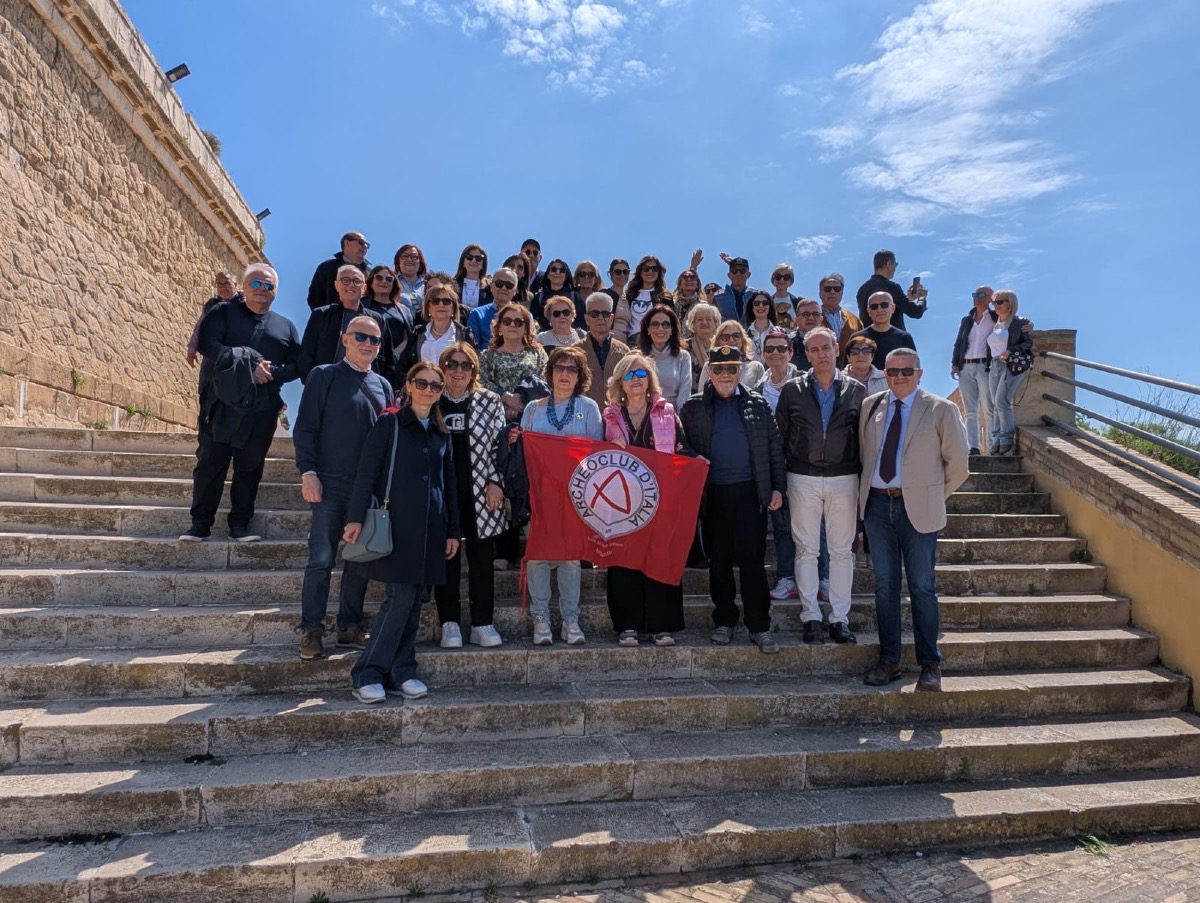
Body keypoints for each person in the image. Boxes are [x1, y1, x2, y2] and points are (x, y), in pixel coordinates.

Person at [345, 362, 459, 703]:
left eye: (435, 386)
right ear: (409, 385)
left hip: (431, 529)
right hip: (397, 525)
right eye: (422, 383)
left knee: (414, 603)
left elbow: (449, 485)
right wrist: (355, 518)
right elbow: (367, 472)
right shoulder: (390, 423)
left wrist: (453, 530)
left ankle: (402, 670)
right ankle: (367, 672)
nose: (428, 390)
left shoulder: (441, 432)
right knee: (399, 600)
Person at [859, 349, 969, 692]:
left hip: (918, 509)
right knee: (885, 587)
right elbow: (865, 456)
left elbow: (959, 465)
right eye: (892, 371)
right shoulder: (871, 406)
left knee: (922, 587)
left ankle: (930, 664)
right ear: (885, 374)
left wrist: (932, 496)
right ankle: (889, 660)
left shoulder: (941, 409)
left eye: (906, 371)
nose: (899, 377)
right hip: (877, 506)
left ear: (919, 373)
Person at [293, 315, 392, 661]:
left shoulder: (384, 386)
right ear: (345, 339)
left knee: (358, 560)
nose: (367, 344)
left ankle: (349, 625)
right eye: (360, 336)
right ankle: (311, 630)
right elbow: (306, 427)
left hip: (366, 489)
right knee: (321, 558)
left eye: (374, 340)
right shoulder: (324, 376)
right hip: (329, 483)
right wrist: (308, 472)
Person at [181, 263, 300, 542]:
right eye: (256, 283)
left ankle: (240, 525)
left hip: (262, 407)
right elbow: (208, 345)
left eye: (269, 286)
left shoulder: (286, 327)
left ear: (276, 291)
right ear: (244, 287)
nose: (262, 289)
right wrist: (248, 365)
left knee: (250, 467)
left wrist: (271, 372)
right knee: (210, 463)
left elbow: (298, 365)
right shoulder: (222, 312)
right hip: (221, 404)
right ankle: (200, 524)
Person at [680, 345, 785, 653]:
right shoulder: (693, 407)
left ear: (740, 371)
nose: (725, 374)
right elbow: (680, 444)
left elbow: (774, 448)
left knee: (753, 562)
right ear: (709, 373)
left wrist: (777, 488)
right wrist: (694, 456)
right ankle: (724, 621)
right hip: (712, 494)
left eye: (731, 368)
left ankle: (759, 626)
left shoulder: (758, 403)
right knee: (719, 561)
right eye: (719, 369)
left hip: (750, 492)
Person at [776, 327, 866, 646]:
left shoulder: (857, 390)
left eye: (825, 348)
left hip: (845, 477)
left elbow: (865, 438)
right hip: (803, 477)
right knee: (807, 550)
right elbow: (781, 436)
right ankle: (811, 616)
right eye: (813, 350)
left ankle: (840, 619)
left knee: (841, 552)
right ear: (806, 354)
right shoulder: (792, 391)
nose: (821, 354)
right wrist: (781, 479)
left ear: (836, 348)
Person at [602, 352, 688, 647]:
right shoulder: (609, 416)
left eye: (641, 374)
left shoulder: (667, 412)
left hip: (660, 501)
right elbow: (596, 457)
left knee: (660, 559)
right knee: (624, 561)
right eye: (629, 374)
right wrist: (608, 446)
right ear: (620, 382)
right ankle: (628, 625)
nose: (636, 379)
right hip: (622, 503)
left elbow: (682, 450)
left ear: (650, 380)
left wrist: (697, 462)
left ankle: (661, 625)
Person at [520, 345, 604, 644]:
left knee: (570, 557)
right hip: (539, 495)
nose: (565, 374)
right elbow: (523, 452)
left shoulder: (589, 408)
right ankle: (541, 619)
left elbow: (595, 454)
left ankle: (571, 620)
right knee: (538, 555)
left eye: (572, 369)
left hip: (574, 496)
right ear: (550, 372)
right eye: (560, 368)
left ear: (580, 376)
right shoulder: (533, 409)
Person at [435, 343, 509, 648]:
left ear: (474, 370)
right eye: (452, 364)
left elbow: (500, 445)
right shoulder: (432, 397)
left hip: (480, 490)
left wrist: (496, 482)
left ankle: (482, 622)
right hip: (441, 492)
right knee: (446, 556)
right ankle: (449, 623)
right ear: (442, 368)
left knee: (481, 558)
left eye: (466, 365)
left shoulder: (489, 401)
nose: (458, 371)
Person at [753, 328, 800, 603]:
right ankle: (787, 577)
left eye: (782, 348)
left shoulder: (806, 383)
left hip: (804, 464)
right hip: (773, 466)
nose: (776, 353)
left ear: (791, 352)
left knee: (812, 526)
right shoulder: (757, 390)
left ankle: (821, 577)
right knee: (782, 525)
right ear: (763, 354)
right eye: (770, 349)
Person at [297, 265, 393, 384]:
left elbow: (389, 360)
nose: (351, 285)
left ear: (364, 288)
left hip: (365, 387)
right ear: (337, 285)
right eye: (345, 280)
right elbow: (306, 355)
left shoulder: (377, 320)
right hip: (325, 385)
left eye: (357, 281)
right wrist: (312, 382)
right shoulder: (321, 315)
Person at [480, 302, 549, 421]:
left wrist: (520, 401)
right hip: (496, 416)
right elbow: (481, 382)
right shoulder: (486, 355)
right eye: (507, 321)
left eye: (518, 322)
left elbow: (546, 380)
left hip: (532, 415)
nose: (512, 325)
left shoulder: (538, 353)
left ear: (526, 328)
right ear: (499, 327)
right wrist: (505, 397)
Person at [987, 289, 1034, 456]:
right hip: (994, 365)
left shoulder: (1019, 323)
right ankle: (997, 440)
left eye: (1000, 302)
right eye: (994, 302)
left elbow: (1027, 343)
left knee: (1002, 402)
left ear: (1010, 303)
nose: (996, 305)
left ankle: (1007, 440)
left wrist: (1010, 350)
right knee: (995, 404)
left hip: (1011, 365)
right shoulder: (996, 322)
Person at [951, 285, 996, 454]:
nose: (977, 298)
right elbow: (959, 343)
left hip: (986, 366)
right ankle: (973, 447)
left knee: (989, 408)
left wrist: (1029, 323)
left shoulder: (995, 317)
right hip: (966, 367)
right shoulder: (967, 320)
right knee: (970, 411)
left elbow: (1014, 322)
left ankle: (992, 446)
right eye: (975, 295)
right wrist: (955, 364)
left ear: (990, 298)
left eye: (982, 295)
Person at [576, 292, 631, 411]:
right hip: (584, 414)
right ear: (586, 319)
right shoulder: (575, 351)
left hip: (617, 415)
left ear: (611, 318)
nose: (600, 318)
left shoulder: (624, 352)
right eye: (594, 314)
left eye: (605, 314)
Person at [399, 282, 470, 374]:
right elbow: (404, 366)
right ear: (428, 307)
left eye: (446, 301)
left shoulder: (465, 335)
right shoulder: (417, 334)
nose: (441, 304)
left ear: (453, 308)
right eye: (435, 301)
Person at [855, 249, 926, 331]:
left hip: (868, 338)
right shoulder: (892, 287)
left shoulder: (862, 290)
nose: (895, 268)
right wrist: (922, 297)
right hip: (892, 338)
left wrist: (908, 299)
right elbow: (916, 312)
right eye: (895, 264)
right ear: (889, 264)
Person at [637, 304, 691, 409]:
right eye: (655, 324)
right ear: (648, 329)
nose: (660, 328)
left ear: (672, 330)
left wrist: (679, 417)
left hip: (674, 414)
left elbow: (685, 393)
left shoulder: (683, 357)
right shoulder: (638, 357)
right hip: (645, 413)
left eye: (666, 325)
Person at [187, 271, 242, 367]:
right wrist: (192, 350)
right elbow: (200, 327)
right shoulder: (211, 304)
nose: (223, 287)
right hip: (211, 359)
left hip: (234, 358)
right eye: (219, 284)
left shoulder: (244, 303)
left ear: (235, 284)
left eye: (227, 283)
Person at [850, 292, 916, 371]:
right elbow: (848, 369)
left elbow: (913, 369)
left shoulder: (904, 338)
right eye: (874, 306)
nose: (879, 309)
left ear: (893, 308)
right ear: (869, 311)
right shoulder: (857, 338)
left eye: (884, 305)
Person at [615, 255, 673, 343]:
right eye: (646, 269)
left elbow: (672, 320)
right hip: (633, 339)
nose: (650, 271)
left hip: (655, 338)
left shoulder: (665, 296)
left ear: (658, 272)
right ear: (640, 272)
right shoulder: (630, 294)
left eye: (654, 269)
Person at [306, 231, 370, 310]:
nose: (365, 247)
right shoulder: (327, 267)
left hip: (362, 317)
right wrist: (325, 315)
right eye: (361, 242)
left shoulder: (370, 274)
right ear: (347, 243)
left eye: (367, 245)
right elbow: (315, 296)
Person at [697, 321, 764, 391]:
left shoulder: (756, 367)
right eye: (725, 337)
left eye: (736, 336)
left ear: (742, 340)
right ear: (718, 342)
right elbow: (702, 393)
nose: (731, 340)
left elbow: (761, 395)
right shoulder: (709, 366)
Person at [817, 273, 863, 365]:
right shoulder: (813, 318)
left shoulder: (854, 320)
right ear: (820, 293)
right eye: (827, 289)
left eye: (837, 289)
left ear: (842, 293)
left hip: (850, 369)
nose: (832, 292)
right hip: (820, 366)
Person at [531, 258, 580, 328]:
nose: (557, 272)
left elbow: (581, 320)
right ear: (548, 275)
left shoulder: (575, 296)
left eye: (562, 270)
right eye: (554, 269)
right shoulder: (539, 297)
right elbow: (532, 320)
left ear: (566, 276)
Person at [713, 257, 758, 322]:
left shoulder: (756, 295)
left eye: (742, 271)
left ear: (748, 274)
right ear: (729, 275)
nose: (738, 274)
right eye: (734, 271)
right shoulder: (718, 296)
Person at [685, 303, 720, 385]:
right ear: (693, 324)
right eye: (700, 319)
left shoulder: (721, 346)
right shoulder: (684, 347)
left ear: (715, 323)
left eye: (708, 319)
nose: (704, 322)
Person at [453, 244, 491, 314]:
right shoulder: (452, 285)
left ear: (483, 264)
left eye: (478, 258)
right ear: (463, 263)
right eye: (469, 257)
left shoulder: (489, 288)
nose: (474, 260)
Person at [743, 290, 780, 360]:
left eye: (765, 303)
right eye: (756, 303)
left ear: (770, 307)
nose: (760, 306)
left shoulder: (780, 332)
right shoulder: (744, 335)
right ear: (752, 308)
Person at [789, 298, 825, 371]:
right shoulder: (787, 343)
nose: (811, 318)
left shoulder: (830, 342)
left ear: (821, 319)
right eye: (806, 314)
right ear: (796, 319)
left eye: (815, 314)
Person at [393, 244, 427, 317]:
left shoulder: (428, 284)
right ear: (398, 262)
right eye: (405, 256)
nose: (409, 259)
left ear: (420, 262)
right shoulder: (391, 282)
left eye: (414, 256)